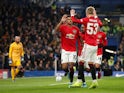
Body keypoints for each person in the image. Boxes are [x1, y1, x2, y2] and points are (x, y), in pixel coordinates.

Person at [70, 6, 102, 89]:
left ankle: (79, 81)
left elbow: (74, 21)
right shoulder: (97, 20)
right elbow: (101, 24)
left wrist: (72, 15)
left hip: (88, 45)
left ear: (87, 13)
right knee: (91, 63)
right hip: (95, 45)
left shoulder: (86, 19)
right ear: (93, 13)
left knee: (81, 62)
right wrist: (95, 16)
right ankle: (94, 82)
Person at [54, 14, 80, 87]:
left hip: (73, 50)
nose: (70, 20)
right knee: (64, 67)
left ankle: (71, 82)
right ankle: (67, 72)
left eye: (71, 19)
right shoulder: (63, 27)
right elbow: (55, 30)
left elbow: (80, 38)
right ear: (66, 20)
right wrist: (61, 22)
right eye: (68, 19)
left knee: (71, 66)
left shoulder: (76, 29)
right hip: (65, 50)